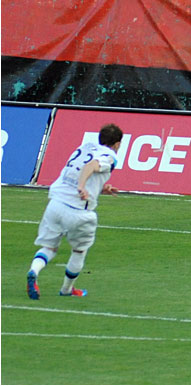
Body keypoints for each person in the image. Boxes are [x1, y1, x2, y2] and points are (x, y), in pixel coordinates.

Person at [26, 124, 124, 299]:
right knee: (79, 251)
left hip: (56, 204)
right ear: (117, 144)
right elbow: (91, 166)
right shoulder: (110, 156)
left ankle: (34, 271)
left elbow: (79, 172)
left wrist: (101, 188)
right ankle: (67, 289)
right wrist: (81, 187)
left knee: (49, 247)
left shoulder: (84, 147)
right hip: (78, 212)